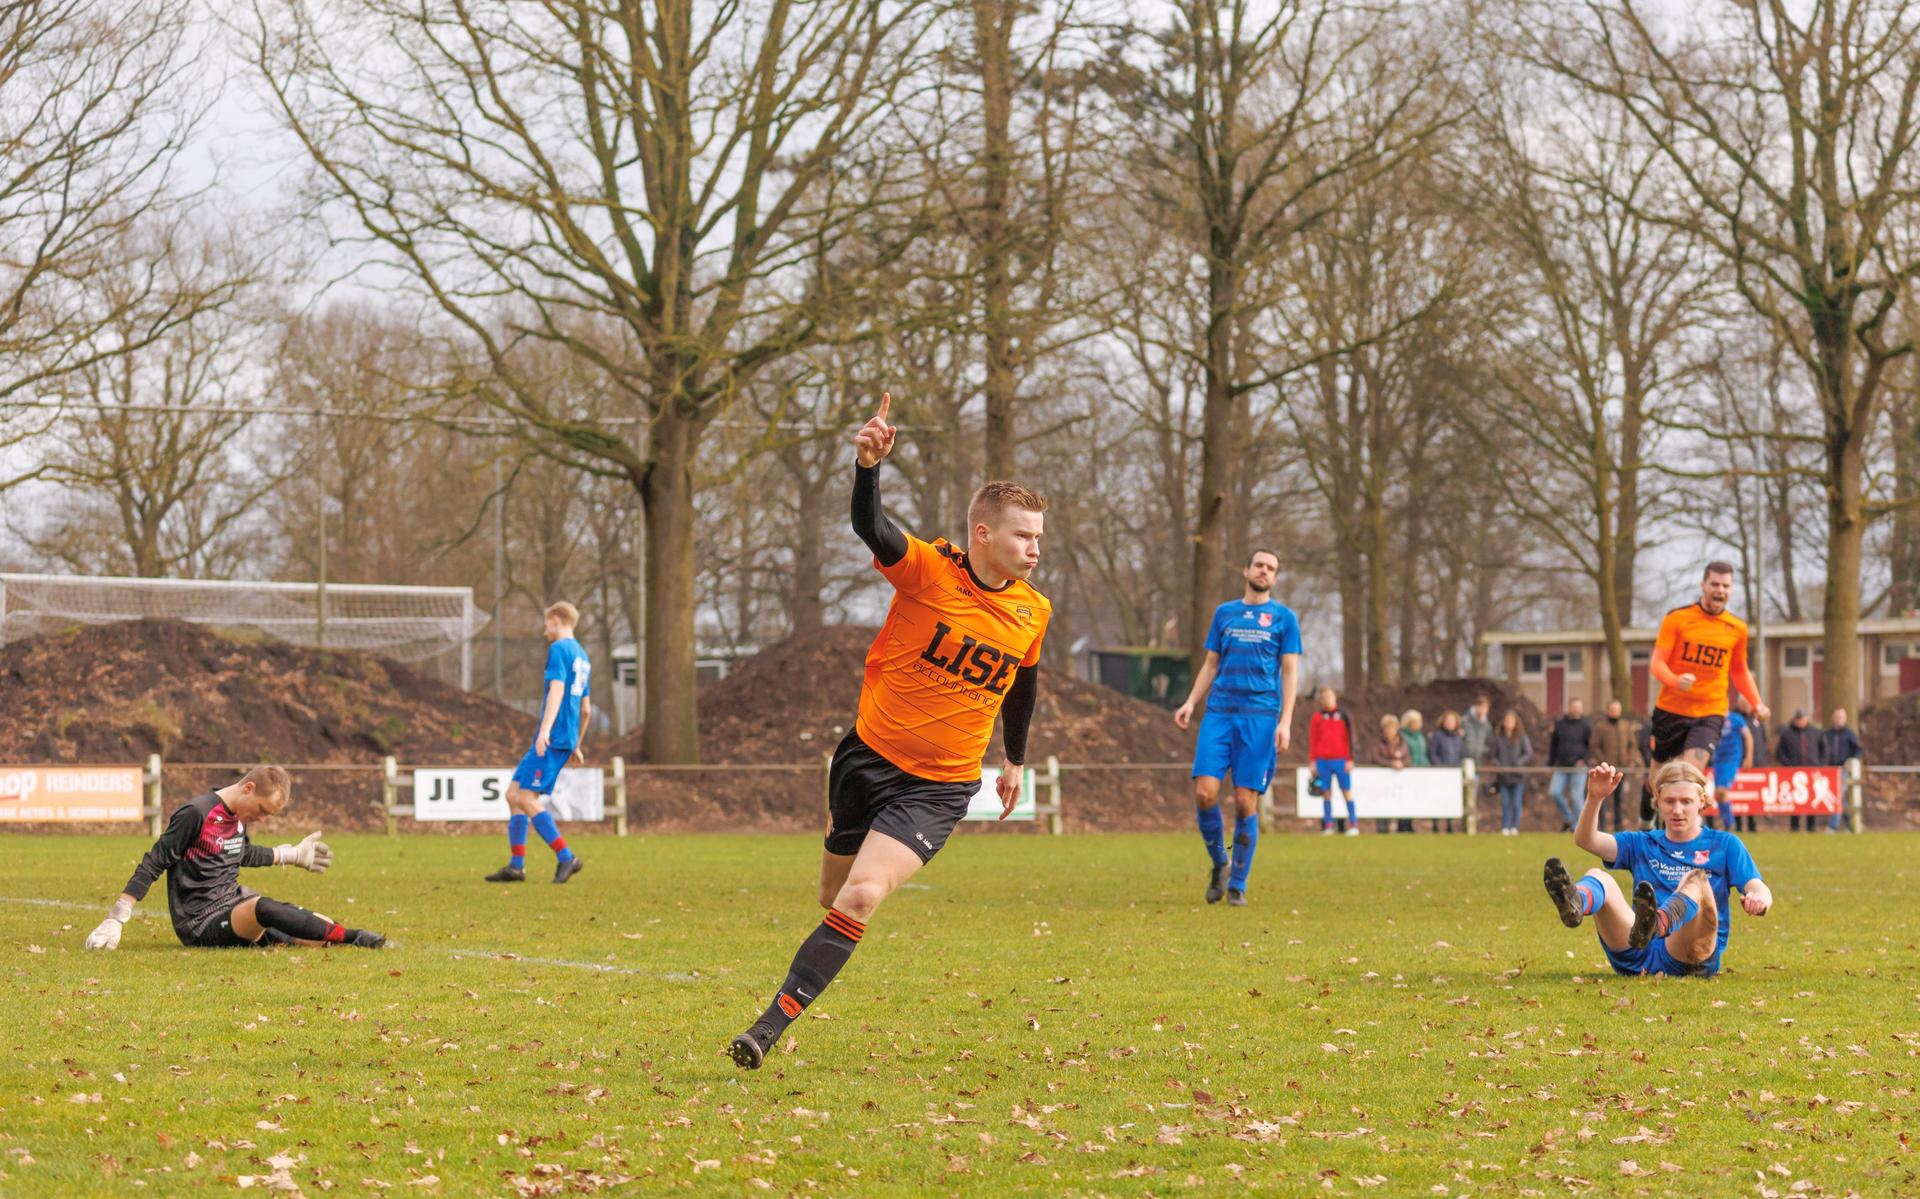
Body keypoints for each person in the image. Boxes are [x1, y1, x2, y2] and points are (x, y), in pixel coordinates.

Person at [728, 393, 1049, 1069]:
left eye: (1039, 537)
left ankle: (766, 1027)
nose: (1035, 549)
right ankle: (823, 928)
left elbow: (1022, 683)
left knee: (863, 894)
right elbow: (873, 528)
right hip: (865, 760)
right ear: (983, 534)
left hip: (940, 787)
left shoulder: (1033, 611)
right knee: (832, 894)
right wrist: (867, 467)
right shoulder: (931, 570)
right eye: (1024, 536)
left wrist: (1015, 758)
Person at [82, 766, 385, 951]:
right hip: (200, 922)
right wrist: (117, 917)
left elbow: (241, 853)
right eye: (262, 810)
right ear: (248, 788)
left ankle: (336, 937)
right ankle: (355, 937)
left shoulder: (237, 819)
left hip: (234, 905)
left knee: (317, 932)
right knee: (264, 907)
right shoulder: (196, 813)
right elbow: (155, 860)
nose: (262, 819)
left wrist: (290, 854)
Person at [1541, 760, 1772, 978]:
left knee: (1697, 880)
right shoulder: (1643, 843)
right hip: (1637, 949)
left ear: (1702, 801)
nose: (1677, 810)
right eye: (1669, 801)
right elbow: (1586, 840)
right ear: (1657, 801)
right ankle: (1576, 903)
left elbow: (1758, 887)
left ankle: (1660, 922)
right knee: (1598, 876)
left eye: (1686, 801)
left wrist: (1759, 899)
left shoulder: (1725, 844)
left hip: (1688, 957)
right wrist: (1594, 798)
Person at [1173, 550, 1302, 905]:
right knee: (1205, 793)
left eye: (1271, 568)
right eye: (1259, 565)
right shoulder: (1224, 613)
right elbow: (1210, 664)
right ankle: (1221, 864)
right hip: (1219, 714)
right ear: (1246, 570)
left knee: (1245, 802)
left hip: (1260, 718)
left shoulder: (1285, 619)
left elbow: (1290, 673)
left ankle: (1238, 886)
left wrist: (1286, 721)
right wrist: (1190, 702)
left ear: (1275, 577)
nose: (1264, 571)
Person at [1647, 562, 1770, 809]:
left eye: (1726, 586)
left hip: (1710, 711)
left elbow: (1739, 670)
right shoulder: (1677, 618)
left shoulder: (1737, 628)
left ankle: (1683, 827)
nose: (1720, 590)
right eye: (1715, 584)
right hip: (1671, 709)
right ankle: (1647, 818)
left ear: (1731, 589)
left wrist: (1757, 703)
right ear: (1703, 585)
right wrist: (1675, 680)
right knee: (1657, 781)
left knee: (1689, 776)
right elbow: (1657, 663)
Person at [486, 601, 592, 884]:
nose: (545, 629)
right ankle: (516, 866)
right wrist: (577, 743)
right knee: (513, 794)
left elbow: (557, 689)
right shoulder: (582, 656)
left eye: (546, 623)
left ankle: (566, 857)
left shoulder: (559, 649)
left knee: (525, 798)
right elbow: (586, 710)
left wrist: (545, 730)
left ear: (556, 619)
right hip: (564, 736)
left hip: (553, 736)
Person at [1586, 698, 1642, 831]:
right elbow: (1594, 745)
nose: (1615, 712)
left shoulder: (1625, 726)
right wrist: (1603, 760)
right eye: (1612, 710)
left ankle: (1618, 825)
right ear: (1608, 710)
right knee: (1602, 798)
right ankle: (1602, 825)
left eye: (1617, 710)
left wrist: (1629, 759)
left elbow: (1633, 744)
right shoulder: (1600, 726)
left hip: (1622, 767)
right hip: (1606, 769)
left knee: (1619, 797)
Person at [1309, 687, 1358, 835]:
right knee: (1326, 792)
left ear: (1335, 697)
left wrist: (1350, 758)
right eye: (1324, 697)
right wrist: (1313, 760)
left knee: (1346, 791)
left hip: (1341, 760)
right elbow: (1313, 740)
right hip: (1323, 760)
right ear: (1321, 700)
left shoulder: (1344, 715)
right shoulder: (1317, 717)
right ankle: (1328, 825)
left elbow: (1351, 737)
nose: (1327, 699)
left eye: (1329, 696)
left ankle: (1353, 824)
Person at [1546, 699, 1592, 832]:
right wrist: (1550, 763)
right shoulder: (1560, 724)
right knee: (1554, 792)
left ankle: (1579, 827)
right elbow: (1554, 744)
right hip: (1562, 765)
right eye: (1574, 707)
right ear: (1569, 708)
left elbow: (1590, 746)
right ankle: (1569, 818)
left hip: (1579, 766)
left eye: (1579, 707)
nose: (1577, 709)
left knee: (1576, 797)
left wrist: (1584, 759)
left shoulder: (1586, 725)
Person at [1710, 700, 1755, 831]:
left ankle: (1729, 823)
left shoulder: (1736, 719)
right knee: (1718, 795)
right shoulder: (1713, 720)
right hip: (1717, 760)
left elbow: (1748, 737)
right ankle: (1728, 824)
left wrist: (1748, 757)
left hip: (1732, 759)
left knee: (1721, 791)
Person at [1486, 710, 1532, 836]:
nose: (1509, 723)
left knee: (1516, 803)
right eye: (1507, 720)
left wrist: (1519, 763)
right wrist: (1499, 765)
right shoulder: (1498, 738)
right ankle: (1505, 827)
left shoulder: (1521, 737)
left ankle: (1514, 827)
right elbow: (1493, 756)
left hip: (1518, 776)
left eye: (1511, 721)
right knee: (1505, 803)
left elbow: (1528, 753)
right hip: (1503, 776)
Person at [1776, 710, 1822, 832]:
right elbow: (1780, 753)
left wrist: (1820, 764)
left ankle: (1811, 826)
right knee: (1794, 801)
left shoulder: (1816, 732)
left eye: (1802, 719)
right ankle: (1794, 826)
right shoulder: (1787, 734)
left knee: (1812, 799)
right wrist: (1788, 765)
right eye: (1798, 719)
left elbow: (1824, 749)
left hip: (1812, 772)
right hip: (1794, 773)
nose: (1800, 722)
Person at [1820, 708, 1864, 832]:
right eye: (1837, 717)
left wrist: (1850, 761)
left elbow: (1858, 751)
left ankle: (1833, 826)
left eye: (1841, 717)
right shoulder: (1827, 734)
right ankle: (1849, 825)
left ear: (1845, 719)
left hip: (1843, 770)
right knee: (1840, 798)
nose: (1838, 719)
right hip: (1830, 770)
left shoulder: (1849, 734)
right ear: (1833, 718)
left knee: (1839, 796)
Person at [1427, 709, 1465, 833]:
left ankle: (1450, 824)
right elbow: (1432, 753)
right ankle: (1435, 825)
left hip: (1453, 774)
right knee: (1437, 798)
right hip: (1439, 773)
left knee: (1450, 799)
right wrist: (1440, 767)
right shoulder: (1437, 736)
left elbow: (1461, 754)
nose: (1449, 723)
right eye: (1447, 721)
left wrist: (1457, 767)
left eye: (1452, 721)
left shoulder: (1458, 738)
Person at [1373, 713, 1410, 833]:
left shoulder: (1402, 742)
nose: (1390, 731)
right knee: (1381, 802)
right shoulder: (1378, 742)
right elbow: (1375, 757)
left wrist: (1402, 763)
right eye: (1387, 728)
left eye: (1392, 727)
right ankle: (1382, 827)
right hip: (1381, 780)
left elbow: (1408, 758)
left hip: (1400, 780)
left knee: (1402, 801)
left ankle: (1403, 826)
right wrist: (1391, 764)